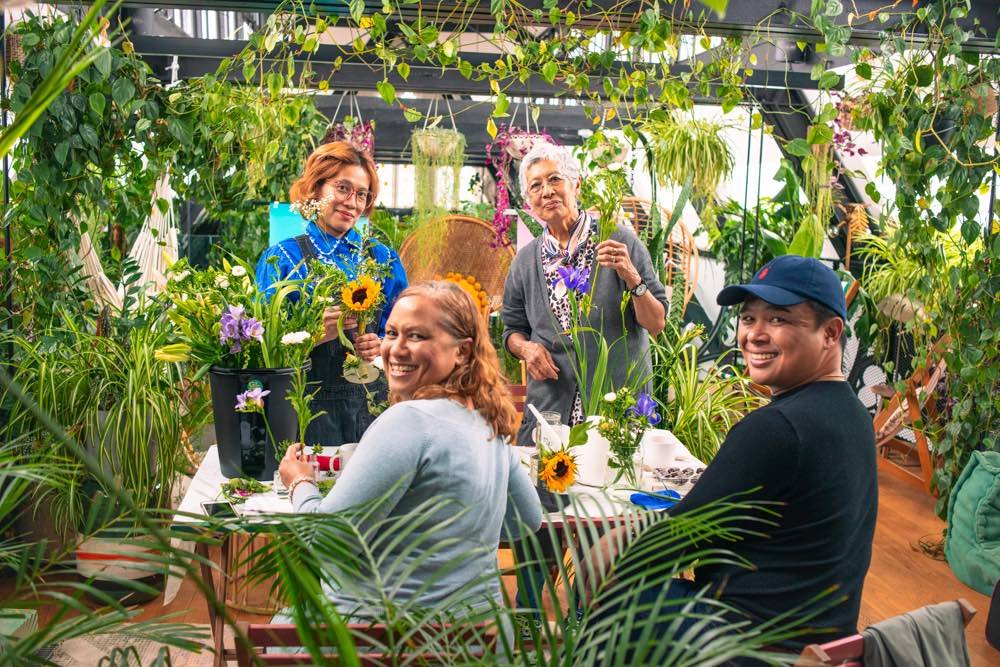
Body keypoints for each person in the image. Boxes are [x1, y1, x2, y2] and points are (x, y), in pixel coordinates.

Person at [594, 255, 878, 652]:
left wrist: (607, 545)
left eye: (778, 319)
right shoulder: (853, 414)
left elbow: (660, 549)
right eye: (748, 319)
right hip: (820, 638)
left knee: (608, 584)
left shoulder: (776, 429)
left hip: (747, 646)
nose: (754, 335)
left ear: (831, 333)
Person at [278, 280, 543, 615]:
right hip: (475, 640)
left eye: (417, 336)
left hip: (381, 641)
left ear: (461, 351)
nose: (396, 349)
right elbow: (526, 521)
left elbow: (324, 544)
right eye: (392, 333)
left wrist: (300, 483)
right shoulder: (488, 419)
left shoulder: (408, 421)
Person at [501, 142, 670, 445]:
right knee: (546, 490)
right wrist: (526, 349)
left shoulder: (619, 241)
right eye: (536, 186)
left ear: (576, 184)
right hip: (550, 411)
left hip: (616, 408)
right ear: (530, 202)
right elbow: (512, 330)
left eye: (554, 179)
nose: (547, 191)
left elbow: (657, 323)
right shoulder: (525, 261)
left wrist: (631, 276)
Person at [256, 141, 407, 447]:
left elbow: (407, 332)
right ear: (315, 188)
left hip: (373, 409)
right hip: (305, 410)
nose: (352, 202)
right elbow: (260, 350)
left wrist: (382, 343)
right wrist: (312, 336)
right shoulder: (282, 258)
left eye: (362, 194)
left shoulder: (383, 258)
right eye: (342, 188)